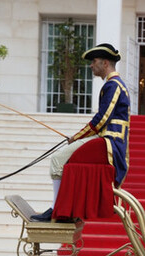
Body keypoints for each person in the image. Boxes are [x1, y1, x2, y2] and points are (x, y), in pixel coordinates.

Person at [32, 43, 130, 221]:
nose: (91, 66)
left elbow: (101, 119)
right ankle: (64, 208)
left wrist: (76, 137)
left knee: (57, 160)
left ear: (105, 63)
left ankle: (56, 210)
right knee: (63, 160)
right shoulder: (114, 84)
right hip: (108, 139)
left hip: (110, 142)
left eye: (94, 62)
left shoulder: (113, 85)